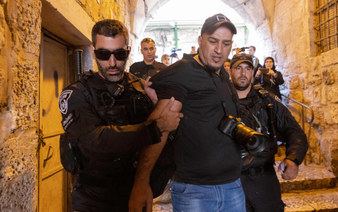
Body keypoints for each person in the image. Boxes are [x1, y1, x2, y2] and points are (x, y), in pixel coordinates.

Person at [58, 19, 182, 211]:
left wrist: (156, 104)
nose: (112, 62)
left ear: (129, 51)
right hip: (94, 199)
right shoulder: (77, 94)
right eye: (103, 54)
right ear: (93, 51)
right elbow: (95, 142)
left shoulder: (139, 86)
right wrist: (156, 127)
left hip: (135, 191)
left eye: (120, 54)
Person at [129, 13, 246, 212]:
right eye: (213, 41)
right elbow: (159, 128)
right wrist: (141, 183)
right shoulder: (182, 72)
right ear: (200, 40)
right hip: (196, 191)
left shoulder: (222, 74)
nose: (219, 50)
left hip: (233, 185)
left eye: (226, 43)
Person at [229, 53, 308, 212]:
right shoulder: (220, 103)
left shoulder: (267, 102)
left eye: (247, 68)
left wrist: (293, 158)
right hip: (230, 182)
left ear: (253, 72)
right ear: (230, 71)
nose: (243, 73)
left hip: (264, 179)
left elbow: (293, 131)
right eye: (238, 68)